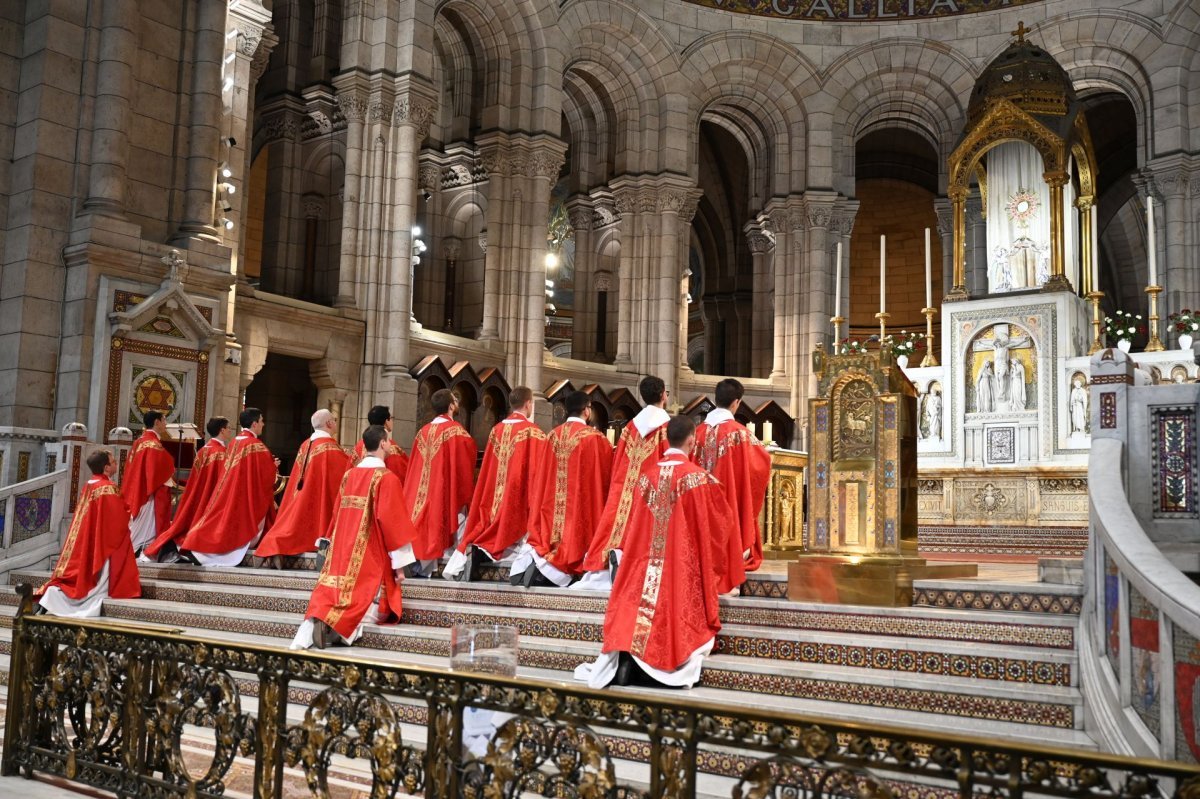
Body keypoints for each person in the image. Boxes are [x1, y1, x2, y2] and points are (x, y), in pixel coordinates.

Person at [573, 416, 734, 689]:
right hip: (677, 567)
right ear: (692, 441)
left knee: (637, 611)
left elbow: (635, 529)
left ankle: (628, 660)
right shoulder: (700, 480)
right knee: (678, 619)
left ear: (666, 440)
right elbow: (719, 529)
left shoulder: (645, 479)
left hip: (644, 565)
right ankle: (651, 668)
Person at [291, 425, 419, 649]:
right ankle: (334, 628)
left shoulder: (349, 475)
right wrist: (400, 567)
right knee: (374, 606)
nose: (390, 443)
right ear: (382, 444)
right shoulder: (387, 479)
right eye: (388, 440)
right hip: (370, 551)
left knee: (335, 592)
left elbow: (336, 512)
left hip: (343, 549)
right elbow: (393, 524)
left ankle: (317, 622)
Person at [573, 375, 671, 590]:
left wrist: (617, 488)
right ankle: (627, 560)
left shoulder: (630, 427)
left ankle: (616, 554)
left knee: (619, 526)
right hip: (651, 489)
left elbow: (618, 460)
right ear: (663, 394)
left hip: (625, 488)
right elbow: (670, 461)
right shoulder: (667, 427)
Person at [443, 386, 549, 581]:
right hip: (516, 496)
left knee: (490, 525)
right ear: (528, 404)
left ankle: (480, 547)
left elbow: (488, 470)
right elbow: (537, 473)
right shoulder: (534, 433)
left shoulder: (496, 430)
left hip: (493, 497)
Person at [510, 390, 613, 587]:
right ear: (586, 410)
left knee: (552, 539)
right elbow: (605, 477)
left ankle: (544, 566)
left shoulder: (552, 435)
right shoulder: (595, 438)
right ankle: (558, 571)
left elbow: (543, 475)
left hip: (553, 506)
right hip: (579, 505)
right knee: (578, 541)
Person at [36, 449, 140, 616]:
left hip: (87, 536)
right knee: (92, 586)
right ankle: (54, 600)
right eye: (113, 462)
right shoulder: (108, 487)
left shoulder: (90, 484)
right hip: (102, 541)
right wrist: (129, 513)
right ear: (106, 468)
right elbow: (117, 518)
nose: (116, 464)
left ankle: (49, 599)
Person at [692, 378, 771, 592]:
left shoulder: (697, 433)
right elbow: (761, 465)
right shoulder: (740, 434)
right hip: (728, 503)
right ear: (736, 402)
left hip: (699, 504)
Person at [181, 408, 277, 567]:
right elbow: (265, 475)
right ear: (254, 424)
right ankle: (205, 553)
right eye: (261, 421)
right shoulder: (256, 445)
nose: (263, 424)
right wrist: (273, 466)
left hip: (228, 491)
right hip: (245, 496)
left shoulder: (234, 442)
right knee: (234, 532)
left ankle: (198, 546)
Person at [255, 409, 351, 564]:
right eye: (334, 419)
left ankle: (275, 545)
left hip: (302, 494)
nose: (335, 423)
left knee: (292, 523)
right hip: (317, 497)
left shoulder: (306, 444)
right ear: (328, 423)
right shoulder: (329, 447)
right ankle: (278, 546)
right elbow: (345, 472)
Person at [405, 389, 477, 576]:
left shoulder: (422, 432)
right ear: (451, 406)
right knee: (459, 514)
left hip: (424, 490)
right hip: (445, 489)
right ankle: (452, 561)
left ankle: (426, 562)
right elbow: (465, 465)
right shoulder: (456, 431)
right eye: (455, 400)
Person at [144, 416, 232, 562]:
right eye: (229, 428)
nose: (230, 431)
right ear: (222, 430)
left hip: (200, 496)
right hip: (214, 498)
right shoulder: (222, 453)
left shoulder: (203, 450)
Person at [123, 410, 175, 557]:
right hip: (148, 493)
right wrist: (171, 464)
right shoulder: (153, 444)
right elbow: (163, 465)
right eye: (164, 420)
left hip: (138, 489)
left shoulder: (139, 442)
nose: (166, 423)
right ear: (156, 422)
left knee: (139, 526)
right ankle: (139, 550)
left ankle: (138, 550)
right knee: (145, 527)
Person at [354, 405, 409, 482]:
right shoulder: (391, 447)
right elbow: (401, 474)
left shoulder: (358, 446)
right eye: (391, 418)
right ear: (386, 421)